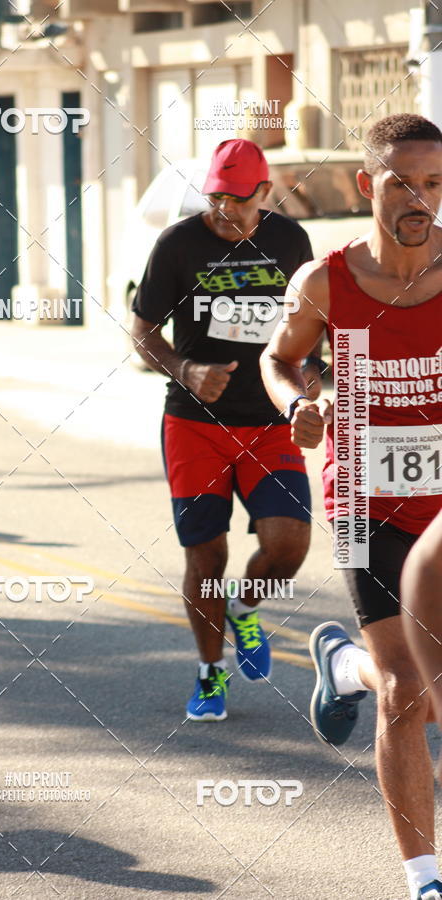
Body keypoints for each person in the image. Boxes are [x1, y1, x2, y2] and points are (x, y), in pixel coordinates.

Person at [260, 113, 442, 900]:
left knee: (427, 684)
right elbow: (279, 357)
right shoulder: (326, 281)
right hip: (364, 496)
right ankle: (426, 878)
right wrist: (301, 402)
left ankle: (340, 666)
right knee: (407, 691)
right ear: (368, 185)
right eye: (403, 181)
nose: (420, 198)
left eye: (434, 184)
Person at [131, 138, 323, 722]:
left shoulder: (290, 240)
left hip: (269, 423)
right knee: (206, 555)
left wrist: (311, 382)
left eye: (239, 201)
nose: (225, 212)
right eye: (216, 199)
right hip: (195, 426)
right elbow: (141, 333)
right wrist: (187, 369)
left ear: (265, 193)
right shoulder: (178, 243)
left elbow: (309, 328)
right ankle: (211, 673)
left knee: (289, 544)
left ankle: (246, 608)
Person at [401, 509, 442, 743]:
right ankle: (346, 665)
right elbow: (428, 564)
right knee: (402, 687)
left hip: (431, 507)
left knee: (419, 698)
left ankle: (347, 667)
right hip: (358, 505)